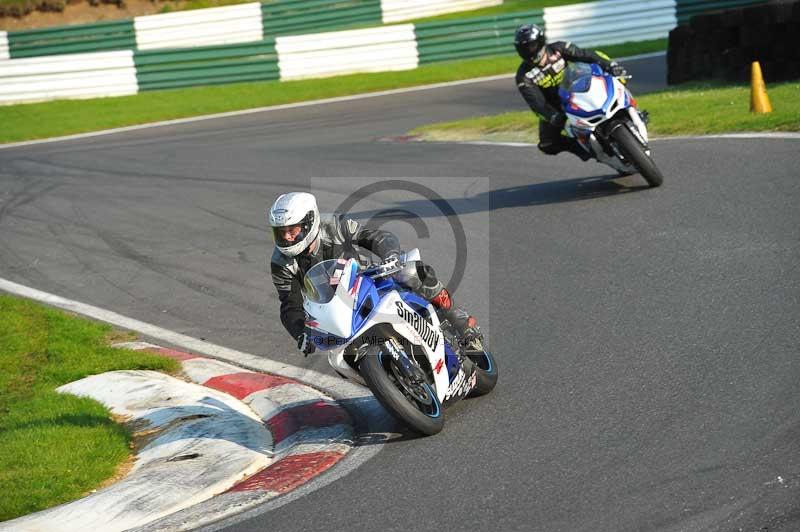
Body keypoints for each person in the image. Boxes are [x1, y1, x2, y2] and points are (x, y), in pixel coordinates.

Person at [268, 191, 478, 356]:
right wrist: (301, 333)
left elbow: (373, 237)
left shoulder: (333, 226)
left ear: (309, 222)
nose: (286, 237)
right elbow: (289, 304)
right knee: (335, 356)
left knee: (412, 271)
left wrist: (391, 256)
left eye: (292, 229)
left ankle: (459, 319)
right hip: (333, 309)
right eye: (281, 232)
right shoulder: (280, 263)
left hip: (368, 281)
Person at [514, 24, 628, 160]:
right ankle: (583, 149)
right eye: (523, 49)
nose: (528, 51)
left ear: (540, 42)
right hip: (555, 107)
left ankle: (628, 111)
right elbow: (536, 103)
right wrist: (553, 117)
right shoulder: (524, 76)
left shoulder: (559, 48)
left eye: (530, 46)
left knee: (613, 78)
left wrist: (610, 66)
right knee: (547, 144)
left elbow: (587, 55)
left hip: (578, 90)